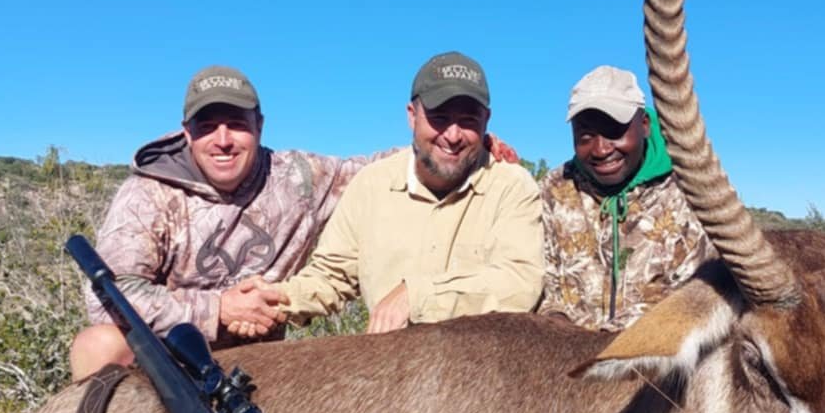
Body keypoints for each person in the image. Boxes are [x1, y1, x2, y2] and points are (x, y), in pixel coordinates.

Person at [68, 65, 375, 379]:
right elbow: (108, 297)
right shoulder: (148, 193)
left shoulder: (300, 178)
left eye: (237, 124)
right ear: (187, 132)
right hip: (165, 364)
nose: (223, 140)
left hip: (264, 362)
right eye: (208, 126)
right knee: (99, 345)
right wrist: (219, 310)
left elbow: (379, 172)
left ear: (260, 126)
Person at [256, 51, 542, 335]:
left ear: (486, 120)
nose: (453, 136)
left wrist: (416, 297)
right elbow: (331, 277)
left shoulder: (512, 186)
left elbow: (519, 281)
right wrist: (271, 301)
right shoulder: (371, 184)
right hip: (393, 364)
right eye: (439, 117)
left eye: (468, 120)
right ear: (411, 116)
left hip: (481, 364)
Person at [538, 65, 712, 331]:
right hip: (566, 357)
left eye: (614, 131)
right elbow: (544, 284)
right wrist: (559, 328)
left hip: (657, 358)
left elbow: (693, 293)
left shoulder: (689, 189)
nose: (601, 149)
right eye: (585, 135)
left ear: (644, 125)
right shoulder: (554, 189)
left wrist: (612, 342)